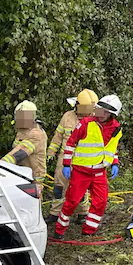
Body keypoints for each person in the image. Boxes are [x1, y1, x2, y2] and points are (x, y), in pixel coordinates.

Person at [53, 95, 123, 239]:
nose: (101, 114)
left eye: (105, 112)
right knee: (72, 201)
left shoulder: (116, 128)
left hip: (99, 171)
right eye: (100, 110)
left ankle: (89, 230)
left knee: (101, 201)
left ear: (112, 114)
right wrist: (66, 164)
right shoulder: (86, 123)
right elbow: (71, 143)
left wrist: (114, 162)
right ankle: (59, 230)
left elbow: (111, 148)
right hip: (81, 171)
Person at [45, 89, 98, 223]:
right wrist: (51, 152)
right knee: (59, 187)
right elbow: (58, 136)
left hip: (83, 160)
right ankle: (55, 213)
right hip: (64, 159)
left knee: (82, 188)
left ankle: (82, 213)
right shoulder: (67, 117)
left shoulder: (95, 120)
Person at [2, 100, 47, 194]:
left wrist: (0, 165)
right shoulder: (23, 130)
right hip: (22, 174)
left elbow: (19, 154)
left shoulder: (36, 134)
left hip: (33, 178)